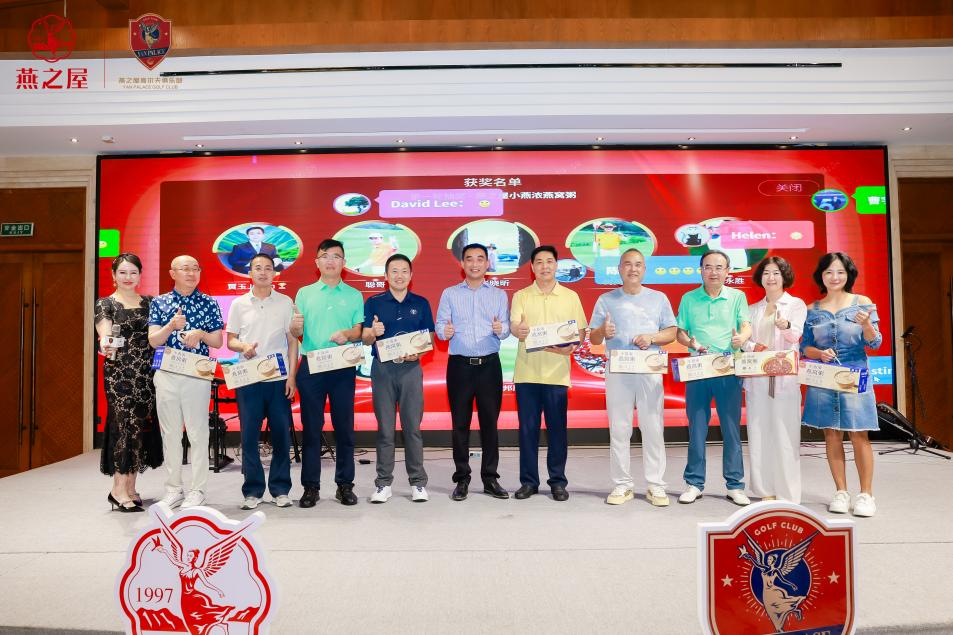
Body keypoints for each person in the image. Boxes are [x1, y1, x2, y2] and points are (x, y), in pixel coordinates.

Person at [589, 248, 677, 507]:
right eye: (627, 264)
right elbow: (593, 338)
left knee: (653, 427)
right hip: (619, 371)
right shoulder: (606, 300)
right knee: (619, 428)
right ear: (619, 269)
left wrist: (651, 337)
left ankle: (656, 485)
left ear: (644, 269)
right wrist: (602, 330)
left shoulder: (658, 298)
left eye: (638, 264)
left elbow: (671, 332)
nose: (633, 269)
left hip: (649, 371)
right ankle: (622, 484)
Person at [801, 252, 882, 517]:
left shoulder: (862, 303)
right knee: (831, 434)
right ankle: (840, 491)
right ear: (821, 276)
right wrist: (819, 353)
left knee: (859, 434)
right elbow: (805, 347)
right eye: (829, 272)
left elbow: (875, 342)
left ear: (849, 275)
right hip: (824, 377)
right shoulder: (812, 309)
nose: (834, 277)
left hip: (855, 374)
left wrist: (867, 324)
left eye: (840, 272)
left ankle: (866, 494)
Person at [290, 238, 364, 508]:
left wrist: (347, 334)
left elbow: (358, 331)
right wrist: (295, 328)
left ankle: (345, 485)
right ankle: (311, 487)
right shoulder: (304, 293)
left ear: (344, 262)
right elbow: (296, 332)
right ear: (317, 261)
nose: (331, 261)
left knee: (345, 428)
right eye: (325, 256)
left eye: (336, 256)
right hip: (312, 366)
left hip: (342, 366)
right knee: (312, 429)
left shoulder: (354, 295)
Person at [674, 250, 752, 506]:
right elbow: (680, 332)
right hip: (698, 368)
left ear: (727, 271)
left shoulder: (737, 297)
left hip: (728, 369)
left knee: (731, 428)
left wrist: (741, 338)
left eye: (719, 267)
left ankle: (735, 485)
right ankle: (694, 483)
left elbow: (746, 325)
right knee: (697, 428)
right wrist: (690, 342)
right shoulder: (689, 298)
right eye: (708, 267)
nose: (713, 272)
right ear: (701, 270)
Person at [511, 245, 588, 501]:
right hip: (527, 374)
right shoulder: (521, 296)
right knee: (527, 431)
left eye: (549, 261)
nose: (544, 266)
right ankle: (528, 482)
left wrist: (571, 347)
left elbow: (580, 331)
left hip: (557, 374)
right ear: (532, 267)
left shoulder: (570, 296)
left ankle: (558, 482)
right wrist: (519, 331)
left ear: (556, 265)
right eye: (539, 262)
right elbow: (515, 326)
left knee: (557, 430)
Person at [148, 255, 225, 509]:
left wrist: (200, 334)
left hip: (196, 373)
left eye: (195, 268)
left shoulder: (209, 302)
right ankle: (173, 489)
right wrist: (171, 325)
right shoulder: (160, 302)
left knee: (197, 432)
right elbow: (154, 340)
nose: (191, 273)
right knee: (170, 432)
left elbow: (217, 341)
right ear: (172, 273)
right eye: (185, 269)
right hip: (167, 373)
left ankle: (198, 489)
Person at [435, 243, 510, 501]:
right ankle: (462, 478)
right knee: (460, 424)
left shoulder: (499, 295)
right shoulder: (450, 294)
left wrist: (501, 329)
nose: (475, 264)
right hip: (460, 367)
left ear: (487, 263)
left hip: (489, 366)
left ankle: (490, 478)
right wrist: (444, 331)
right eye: (469, 259)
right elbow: (440, 326)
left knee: (490, 423)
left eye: (480, 259)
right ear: (462, 264)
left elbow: (506, 328)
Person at [225, 253, 297, 510]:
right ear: (250, 273)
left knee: (281, 435)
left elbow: (292, 342)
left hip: (278, 378)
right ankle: (252, 490)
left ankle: (280, 489)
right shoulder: (239, 304)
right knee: (249, 436)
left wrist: (292, 377)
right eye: (258, 268)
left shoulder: (285, 302)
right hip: (248, 378)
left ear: (275, 273)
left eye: (268, 268)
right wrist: (243, 346)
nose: (263, 272)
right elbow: (230, 340)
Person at [362, 254, 435, 503]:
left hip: (411, 370)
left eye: (404, 271)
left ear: (411, 275)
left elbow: (429, 339)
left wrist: (418, 353)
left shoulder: (421, 303)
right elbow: (366, 339)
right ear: (386, 275)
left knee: (412, 427)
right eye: (394, 271)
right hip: (383, 369)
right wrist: (373, 332)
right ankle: (383, 484)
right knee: (385, 429)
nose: (399, 275)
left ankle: (418, 483)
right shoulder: (374, 302)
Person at [96, 253, 163, 512]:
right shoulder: (106, 304)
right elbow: (105, 332)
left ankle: (131, 488)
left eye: (133, 272)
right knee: (123, 427)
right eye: (122, 272)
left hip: (147, 374)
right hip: (120, 374)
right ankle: (118, 489)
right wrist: (105, 343)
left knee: (140, 428)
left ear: (140, 275)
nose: (128, 277)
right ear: (113, 275)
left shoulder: (150, 302)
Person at [742, 257, 807, 503]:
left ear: (784, 276)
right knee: (759, 433)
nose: (771, 277)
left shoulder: (795, 304)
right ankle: (764, 490)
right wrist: (752, 346)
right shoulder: (752, 309)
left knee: (786, 435)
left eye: (776, 273)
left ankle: (788, 493)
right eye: (767, 273)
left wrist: (786, 325)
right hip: (758, 379)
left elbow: (795, 336)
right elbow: (745, 341)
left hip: (784, 381)